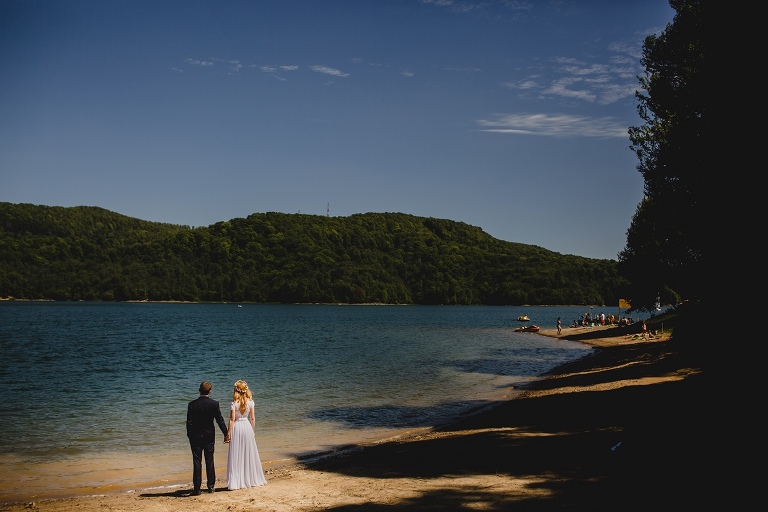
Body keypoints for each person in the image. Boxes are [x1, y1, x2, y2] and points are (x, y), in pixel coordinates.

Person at [186, 381, 228, 495]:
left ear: (199, 390)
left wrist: (189, 435)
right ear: (210, 391)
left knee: (197, 461)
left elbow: (189, 422)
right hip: (209, 436)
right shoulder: (214, 404)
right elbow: (220, 420)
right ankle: (211, 486)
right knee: (209, 460)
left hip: (195, 437)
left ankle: (197, 489)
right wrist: (226, 433)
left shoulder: (192, 404)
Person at [226, 380, 267, 490]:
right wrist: (252, 431)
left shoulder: (234, 403)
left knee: (237, 453)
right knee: (248, 453)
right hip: (247, 427)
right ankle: (251, 478)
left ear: (236, 390)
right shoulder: (250, 402)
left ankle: (237, 482)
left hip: (237, 427)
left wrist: (228, 433)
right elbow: (252, 418)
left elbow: (232, 419)